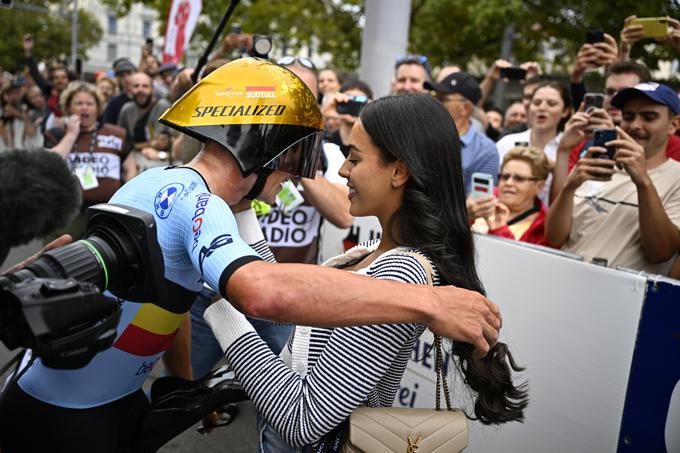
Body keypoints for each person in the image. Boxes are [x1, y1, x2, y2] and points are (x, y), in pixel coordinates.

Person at [0, 58, 501, 453]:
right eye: (291, 156)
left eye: (352, 156)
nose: (316, 172)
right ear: (262, 151)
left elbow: (193, 294)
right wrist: (431, 304)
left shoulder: (157, 181)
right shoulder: (205, 206)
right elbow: (258, 289)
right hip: (82, 417)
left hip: (64, 401)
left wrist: (185, 376)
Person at [203, 93, 527, 452]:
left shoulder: (401, 272)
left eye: (354, 158)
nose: (342, 171)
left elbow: (302, 420)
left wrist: (226, 311)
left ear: (399, 171)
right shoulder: (373, 253)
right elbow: (292, 325)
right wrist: (243, 206)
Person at [545, 82, 680, 275]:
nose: (635, 125)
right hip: (567, 282)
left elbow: (661, 252)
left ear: (673, 125)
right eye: (628, 116)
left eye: (649, 117)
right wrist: (569, 186)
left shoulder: (676, 177)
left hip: (625, 298)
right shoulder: (595, 163)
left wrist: (643, 181)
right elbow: (554, 237)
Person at [44, 81, 136, 239]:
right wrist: (71, 134)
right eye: (78, 103)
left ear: (98, 108)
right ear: (68, 107)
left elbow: (130, 168)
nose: (84, 107)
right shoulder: (56, 134)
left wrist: (127, 199)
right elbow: (50, 162)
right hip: (67, 213)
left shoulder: (116, 133)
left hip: (108, 211)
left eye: (89, 103)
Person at [497, 80, 572, 205]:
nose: (542, 108)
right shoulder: (507, 143)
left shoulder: (571, 148)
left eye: (551, 104)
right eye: (536, 103)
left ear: (565, 111)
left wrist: (556, 168)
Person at [425, 72, 499, 195]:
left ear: (465, 108)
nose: (434, 102)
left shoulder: (484, 151)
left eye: (442, 99)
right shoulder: (419, 135)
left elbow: (479, 203)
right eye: (434, 96)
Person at [467, 146, 554, 247]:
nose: (508, 183)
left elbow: (519, 260)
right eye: (505, 176)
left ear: (540, 186)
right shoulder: (481, 201)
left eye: (519, 178)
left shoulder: (543, 227)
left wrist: (499, 229)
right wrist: (466, 216)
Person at [117, 72, 173, 173]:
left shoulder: (162, 106)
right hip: (133, 163)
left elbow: (161, 144)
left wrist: (137, 145)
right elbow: (121, 142)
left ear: (152, 89)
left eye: (145, 86)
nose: (140, 90)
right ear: (130, 89)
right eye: (136, 86)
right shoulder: (127, 109)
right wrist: (149, 144)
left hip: (158, 164)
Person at [101, 58, 136, 125]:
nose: (126, 78)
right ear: (118, 79)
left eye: (129, 74)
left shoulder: (148, 97)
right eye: (122, 76)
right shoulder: (114, 103)